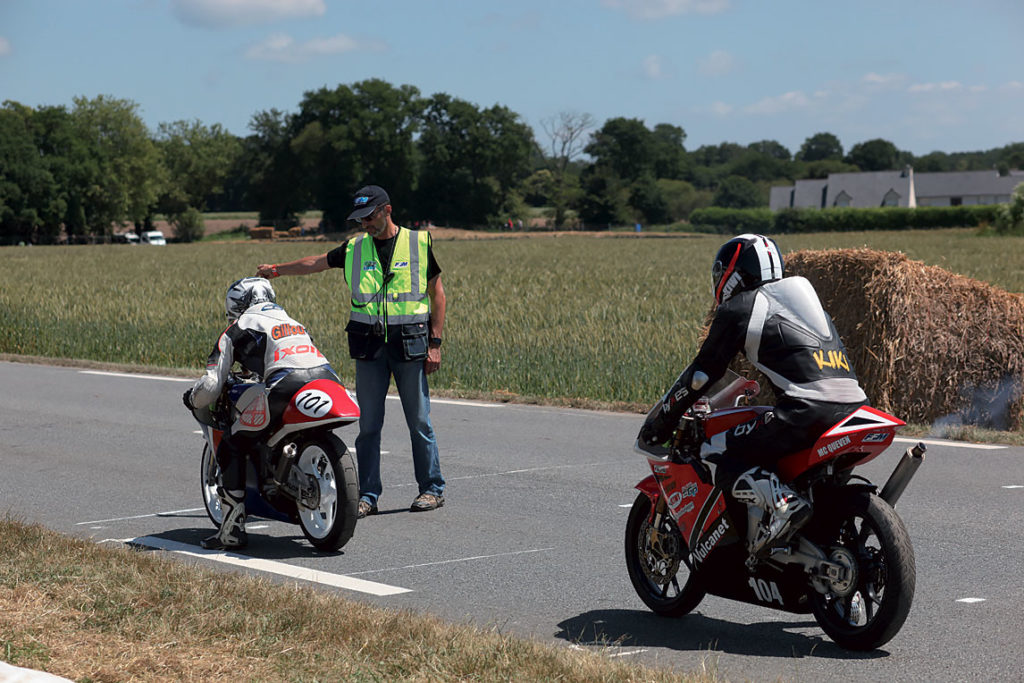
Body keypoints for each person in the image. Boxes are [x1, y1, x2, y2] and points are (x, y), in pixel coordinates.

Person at [638, 233, 868, 560]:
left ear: (734, 272)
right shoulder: (806, 306)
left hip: (806, 412)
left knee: (712, 451)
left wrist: (661, 422)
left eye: (720, 274)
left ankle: (782, 505)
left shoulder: (741, 306)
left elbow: (701, 375)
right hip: (855, 407)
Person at [256, 185, 446, 518]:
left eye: (369, 217)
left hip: (409, 346)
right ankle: (368, 495)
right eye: (360, 219)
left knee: (419, 422)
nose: (365, 225)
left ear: (387, 210)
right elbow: (316, 262)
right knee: (369, 426)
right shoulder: (355, 248)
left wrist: (435, 344)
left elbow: (437, 295)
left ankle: (431, 489)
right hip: (370, 348)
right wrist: (278, 269)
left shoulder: (417, 244)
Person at [183, 277, 341, 550]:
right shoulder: (293, 322)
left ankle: (231, 530)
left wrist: (191, 398)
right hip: (327, 378)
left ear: (237, 304)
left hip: (284, 385)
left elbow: (211, 385)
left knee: (233, 442)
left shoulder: (238, 327)